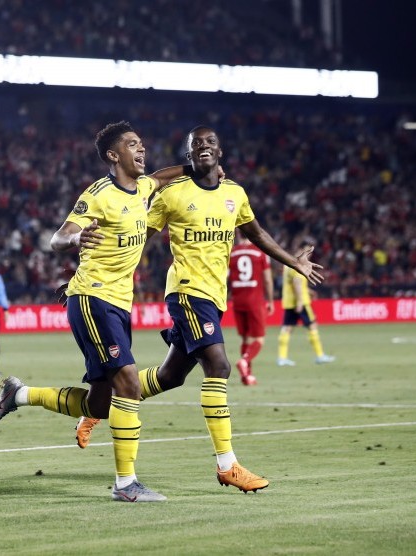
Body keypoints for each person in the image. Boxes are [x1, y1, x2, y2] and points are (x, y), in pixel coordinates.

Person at [75, 125, 324, 494]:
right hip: (186, 293)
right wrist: (97, 261)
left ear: (220, 152)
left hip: (214, 296)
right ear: (188, 156)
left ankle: (104, 404)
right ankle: (228, 464)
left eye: (210, 142)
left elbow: (256, 233)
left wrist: (293, 262)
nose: (204, 147)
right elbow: (135, 231)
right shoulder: (173, 194)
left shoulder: (235, 193)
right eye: (196, 145)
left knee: (170, 376)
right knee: (219, 365)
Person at [0, 121, 190, 503]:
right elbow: (57, 237)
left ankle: (19, 394)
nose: (141, 149)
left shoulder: (142, 187)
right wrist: (78, 237)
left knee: (99, 403)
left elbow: (160, 178)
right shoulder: (98, 194)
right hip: (94, 300)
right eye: (132, 145)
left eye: (142, 144)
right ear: (114, 156)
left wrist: (196, 168)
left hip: (117, 304)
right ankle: (126, 485)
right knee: (128, 383)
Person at [277, 240, 336, 366]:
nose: (309, 254)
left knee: (287, 328)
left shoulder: (288, 263)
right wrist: (299, 301)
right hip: (301, 302)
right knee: (312, 326)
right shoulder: (299, 264)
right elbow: (297, 282)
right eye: (308, 250)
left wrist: (309, 291)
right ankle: (320, 356)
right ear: (302, 249)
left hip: (289, 301)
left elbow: (292, 282)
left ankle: (282, 358)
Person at [227, 230, 274, 385]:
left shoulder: (231, 253)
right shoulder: (260, 253)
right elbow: (267, 279)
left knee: (246, 338)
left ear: (239, 235)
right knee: (259, 339)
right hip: (255, 301)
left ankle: (247, 376)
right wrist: (271, 300)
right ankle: (245, 361)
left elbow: (224, 277)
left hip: (238, 300)